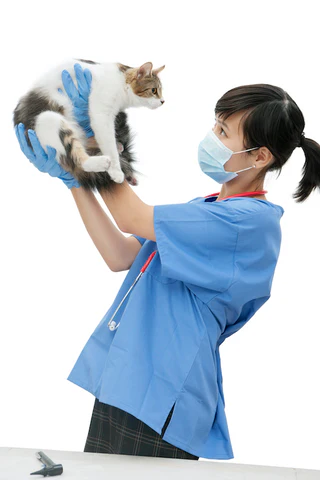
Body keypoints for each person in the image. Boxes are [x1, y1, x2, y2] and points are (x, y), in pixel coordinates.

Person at [14, 67, 320, 461]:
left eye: (224, 133)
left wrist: (90, 143)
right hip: (128, 382)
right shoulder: (205, 209)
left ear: (260, 156)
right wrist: (74, 180)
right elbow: (120, 254)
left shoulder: (248, 223)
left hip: (163, 396)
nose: (213, 138)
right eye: (215, 126)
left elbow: (132, 217)